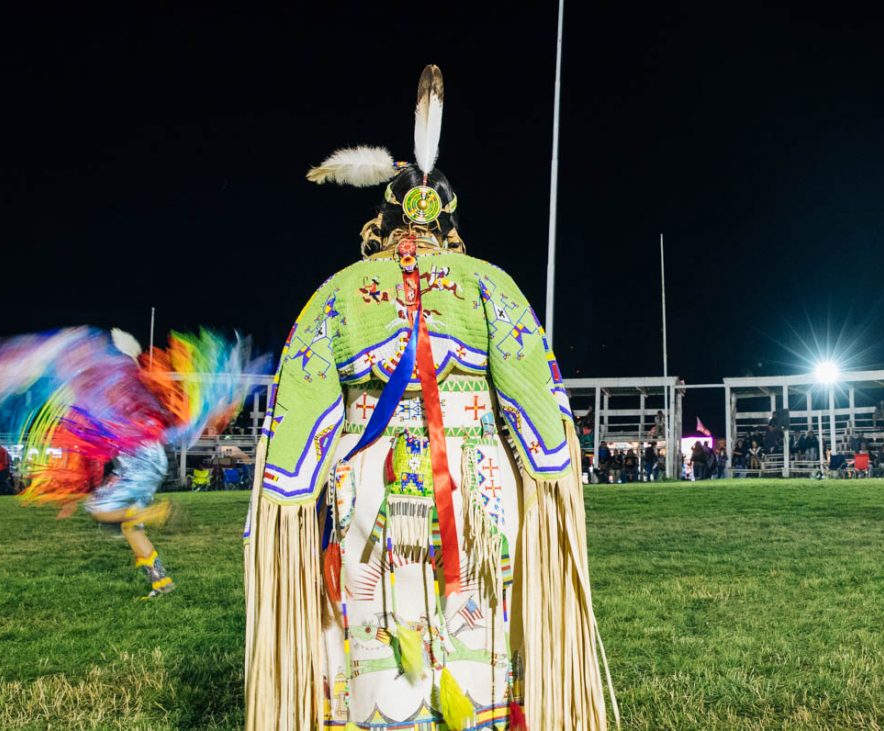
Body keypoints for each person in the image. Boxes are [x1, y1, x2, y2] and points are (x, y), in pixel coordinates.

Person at [243, 67, 615, 731]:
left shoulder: (338, 292)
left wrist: (286, 502)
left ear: (381, 220)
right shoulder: (490, 284)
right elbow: (543, 423)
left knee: (375, 628)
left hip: (370, 486)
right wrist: (551, 476)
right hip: (479, 493)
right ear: (451, 223)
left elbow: (294, 439)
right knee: (479, 632)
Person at [0, 327, 264, 600]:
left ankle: (157, 512)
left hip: (140, 457)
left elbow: (94, 439)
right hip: (146, 457)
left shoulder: (106, 388)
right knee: (130, 526)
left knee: (100, 509)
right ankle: (161, 581)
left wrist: (76, 491)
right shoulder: (130, 386)